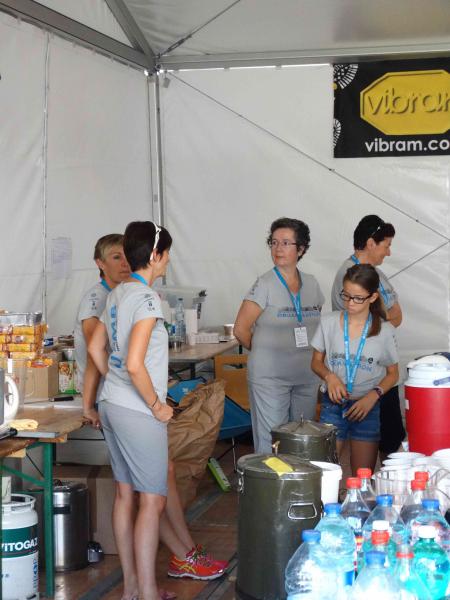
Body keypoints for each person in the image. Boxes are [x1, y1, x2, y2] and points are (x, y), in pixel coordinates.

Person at [88, 221, 225, 600]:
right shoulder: (147, 299)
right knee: (152, 500)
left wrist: (115, 380)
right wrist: (155, 405)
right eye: (166, 254)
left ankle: (133, 588)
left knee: (125, 495)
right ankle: (147, 592)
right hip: (137, 410)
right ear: (154, 255)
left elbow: (97, 348)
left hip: (112, 402)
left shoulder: (117, 293)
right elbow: (135, 363)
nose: (168, 261)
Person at [234, 217, 324, 453]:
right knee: (272, 443)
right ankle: (271, 478)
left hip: (306, 375)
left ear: (301, 249)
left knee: (302, 441)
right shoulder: (264, 284)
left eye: (285, 243)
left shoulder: (312, 283)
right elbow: (240, 329)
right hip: (270, 378)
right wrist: (267, 351)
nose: (278, 248)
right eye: (273, 242)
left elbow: (317, 326)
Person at [311, 264, 399, 474]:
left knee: (362, 478)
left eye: (358, 298)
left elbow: (393, 374)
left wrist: (373, 396)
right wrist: (330, 376)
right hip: (333, 404)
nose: (350, 303)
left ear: (373, 297)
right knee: (326, 473)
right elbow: (315, 362)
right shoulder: (328, 322)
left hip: (366, 407)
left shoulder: (384, 331)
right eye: (346, 295)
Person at [331, 214, 405, 459]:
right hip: (361, 374)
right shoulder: (348, 274)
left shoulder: (377, 274)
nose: (389, 252)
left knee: (390, 439)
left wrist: (381, 321)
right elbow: (361, 323)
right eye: (386, 245)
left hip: (382, 371)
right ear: (371, 243)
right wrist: (382, 320)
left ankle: (384, 479)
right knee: (365, 442)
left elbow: (397, 315)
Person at [74, 234, 130, 427]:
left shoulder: (121, 294)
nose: (125, 263)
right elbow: (95, 353)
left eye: (127, 256)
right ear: (100, 263)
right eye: (117, 257)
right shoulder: (97, 300)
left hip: (117, 390)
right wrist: (89, 407)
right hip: (104, 395)